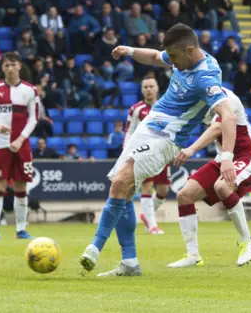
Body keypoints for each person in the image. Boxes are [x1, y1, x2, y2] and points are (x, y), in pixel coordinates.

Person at [79, 23, 237, 277]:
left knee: (121, 181)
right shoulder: (181, 57)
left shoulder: (205, 77)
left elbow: (227, 116)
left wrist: (227, 157)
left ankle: (95, 247)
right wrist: (130, 50)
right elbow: (154, 57)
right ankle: (129, 262)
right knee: (123, 191)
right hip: (147, 127)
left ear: (189, 50)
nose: (172, 63)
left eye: (174, 58)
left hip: (166, 138)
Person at [168, 88, 251, 268]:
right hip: (222, 159)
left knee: (222, 187)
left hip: (246, 155)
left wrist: (191, 149)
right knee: (184, 195)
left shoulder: (226, 98)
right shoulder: (200, 99)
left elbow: (218, 127)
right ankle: (193, 255)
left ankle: (247, 240)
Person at [0, 52, 39, 241]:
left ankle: (21, 229)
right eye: (6, 65)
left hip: (21, 145)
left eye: (13, 64)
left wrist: (20, 139)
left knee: (21, 187)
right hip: (0, 145)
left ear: (19, 66)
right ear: (2, 68)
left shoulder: (30, 90)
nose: (10, 68)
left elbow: (34, 118)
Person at [123, 76, 169, 235]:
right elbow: (129, 131)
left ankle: (146, 215)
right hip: (143, 153)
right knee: (147, 187)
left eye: (151, 86)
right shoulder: (136, 109)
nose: (149, 89)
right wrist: (126, 151)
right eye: (145, 87)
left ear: (157, 88)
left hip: (162, 153)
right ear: (142, 90)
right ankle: (152, 225)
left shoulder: (165, 107)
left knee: (163, 190)